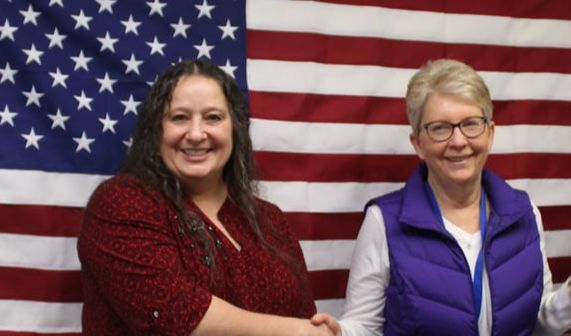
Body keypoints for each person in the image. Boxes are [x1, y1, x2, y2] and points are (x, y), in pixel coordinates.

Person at [312, 59, 571, 335]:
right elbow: (366, 326)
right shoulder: (383, 222)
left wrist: (568, 300)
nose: (459, 141)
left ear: (490, 133)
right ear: (418, 144)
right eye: (440, 128)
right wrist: (339, 332)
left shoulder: (524, 212)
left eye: (471, 124)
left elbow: (535, 322)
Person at [77, 59, 336, 335]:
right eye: (180, 117)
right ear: (156, 130)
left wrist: (317, 329)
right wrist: (295, 332)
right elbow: (176, 315)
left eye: (213, 117)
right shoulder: (122, 202)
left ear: (234, 128)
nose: (197, 134)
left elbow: (304, 315)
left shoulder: (270, 219)